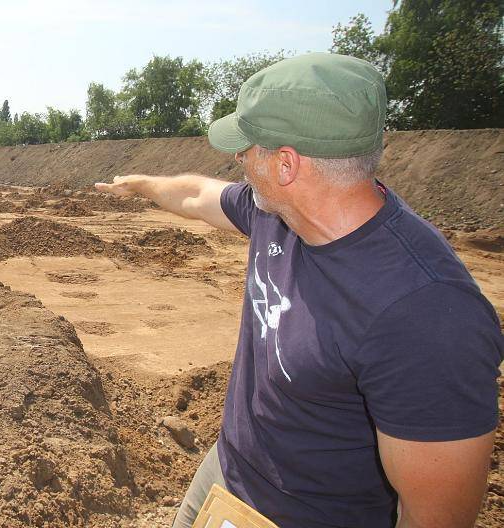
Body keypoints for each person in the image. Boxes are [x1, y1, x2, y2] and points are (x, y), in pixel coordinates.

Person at [95, 53, 503, 528]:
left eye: (248, 148)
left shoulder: (424, 313)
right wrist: (141, 184)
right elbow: (197, 195)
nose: (238, 159)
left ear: (286, 164)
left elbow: (436, 517)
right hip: (227, 471)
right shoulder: (276, 214)